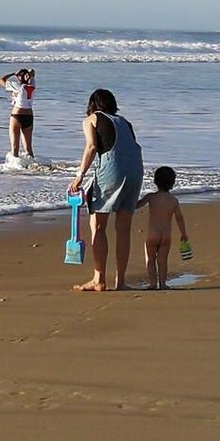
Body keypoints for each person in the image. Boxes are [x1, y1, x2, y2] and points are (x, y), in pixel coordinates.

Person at [68, 89, 144, 292]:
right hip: (136, 170)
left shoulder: (92, 119)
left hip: (113, 169)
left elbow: (92, 147)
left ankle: (99, 279)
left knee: (98, 226)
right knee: (123, 229)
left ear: (92, 104)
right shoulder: (125, 122)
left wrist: (80, 176)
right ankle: (121, 282)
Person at [135, 166, 190, 290]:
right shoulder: (173, 200)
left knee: (150, 259)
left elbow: (136, 205)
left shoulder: (151, 197)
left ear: (155, 181)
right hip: (166, 236)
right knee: (162, 261)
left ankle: (153, 283)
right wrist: (183, 233)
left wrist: (128, 198)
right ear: (173, 183)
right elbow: (179, 218)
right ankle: (163, 284)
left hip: (152, 234)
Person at [0, 68, 36, 160]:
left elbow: (0, 80)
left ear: (19, 77)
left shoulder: (18, 86)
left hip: (17, 116)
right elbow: (33, 72)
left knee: (15, 148)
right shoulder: (33, 86)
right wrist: (28, 74)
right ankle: (32, 166)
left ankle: (15, 169)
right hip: (29, 116)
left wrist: (13, 73)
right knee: (28, 148)